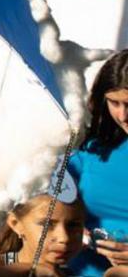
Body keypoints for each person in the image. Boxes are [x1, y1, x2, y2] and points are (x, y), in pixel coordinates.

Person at [69, 50, 128, 276]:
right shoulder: (90, 148)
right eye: (114, 102)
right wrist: (76, 233)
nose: (122, 115)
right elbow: (42, 211)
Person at [0, 193, 85, 276]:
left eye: (73, 225)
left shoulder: (70, 273)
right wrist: (33, 268)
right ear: (15, 224)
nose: (64, 237)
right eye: (47, 225)